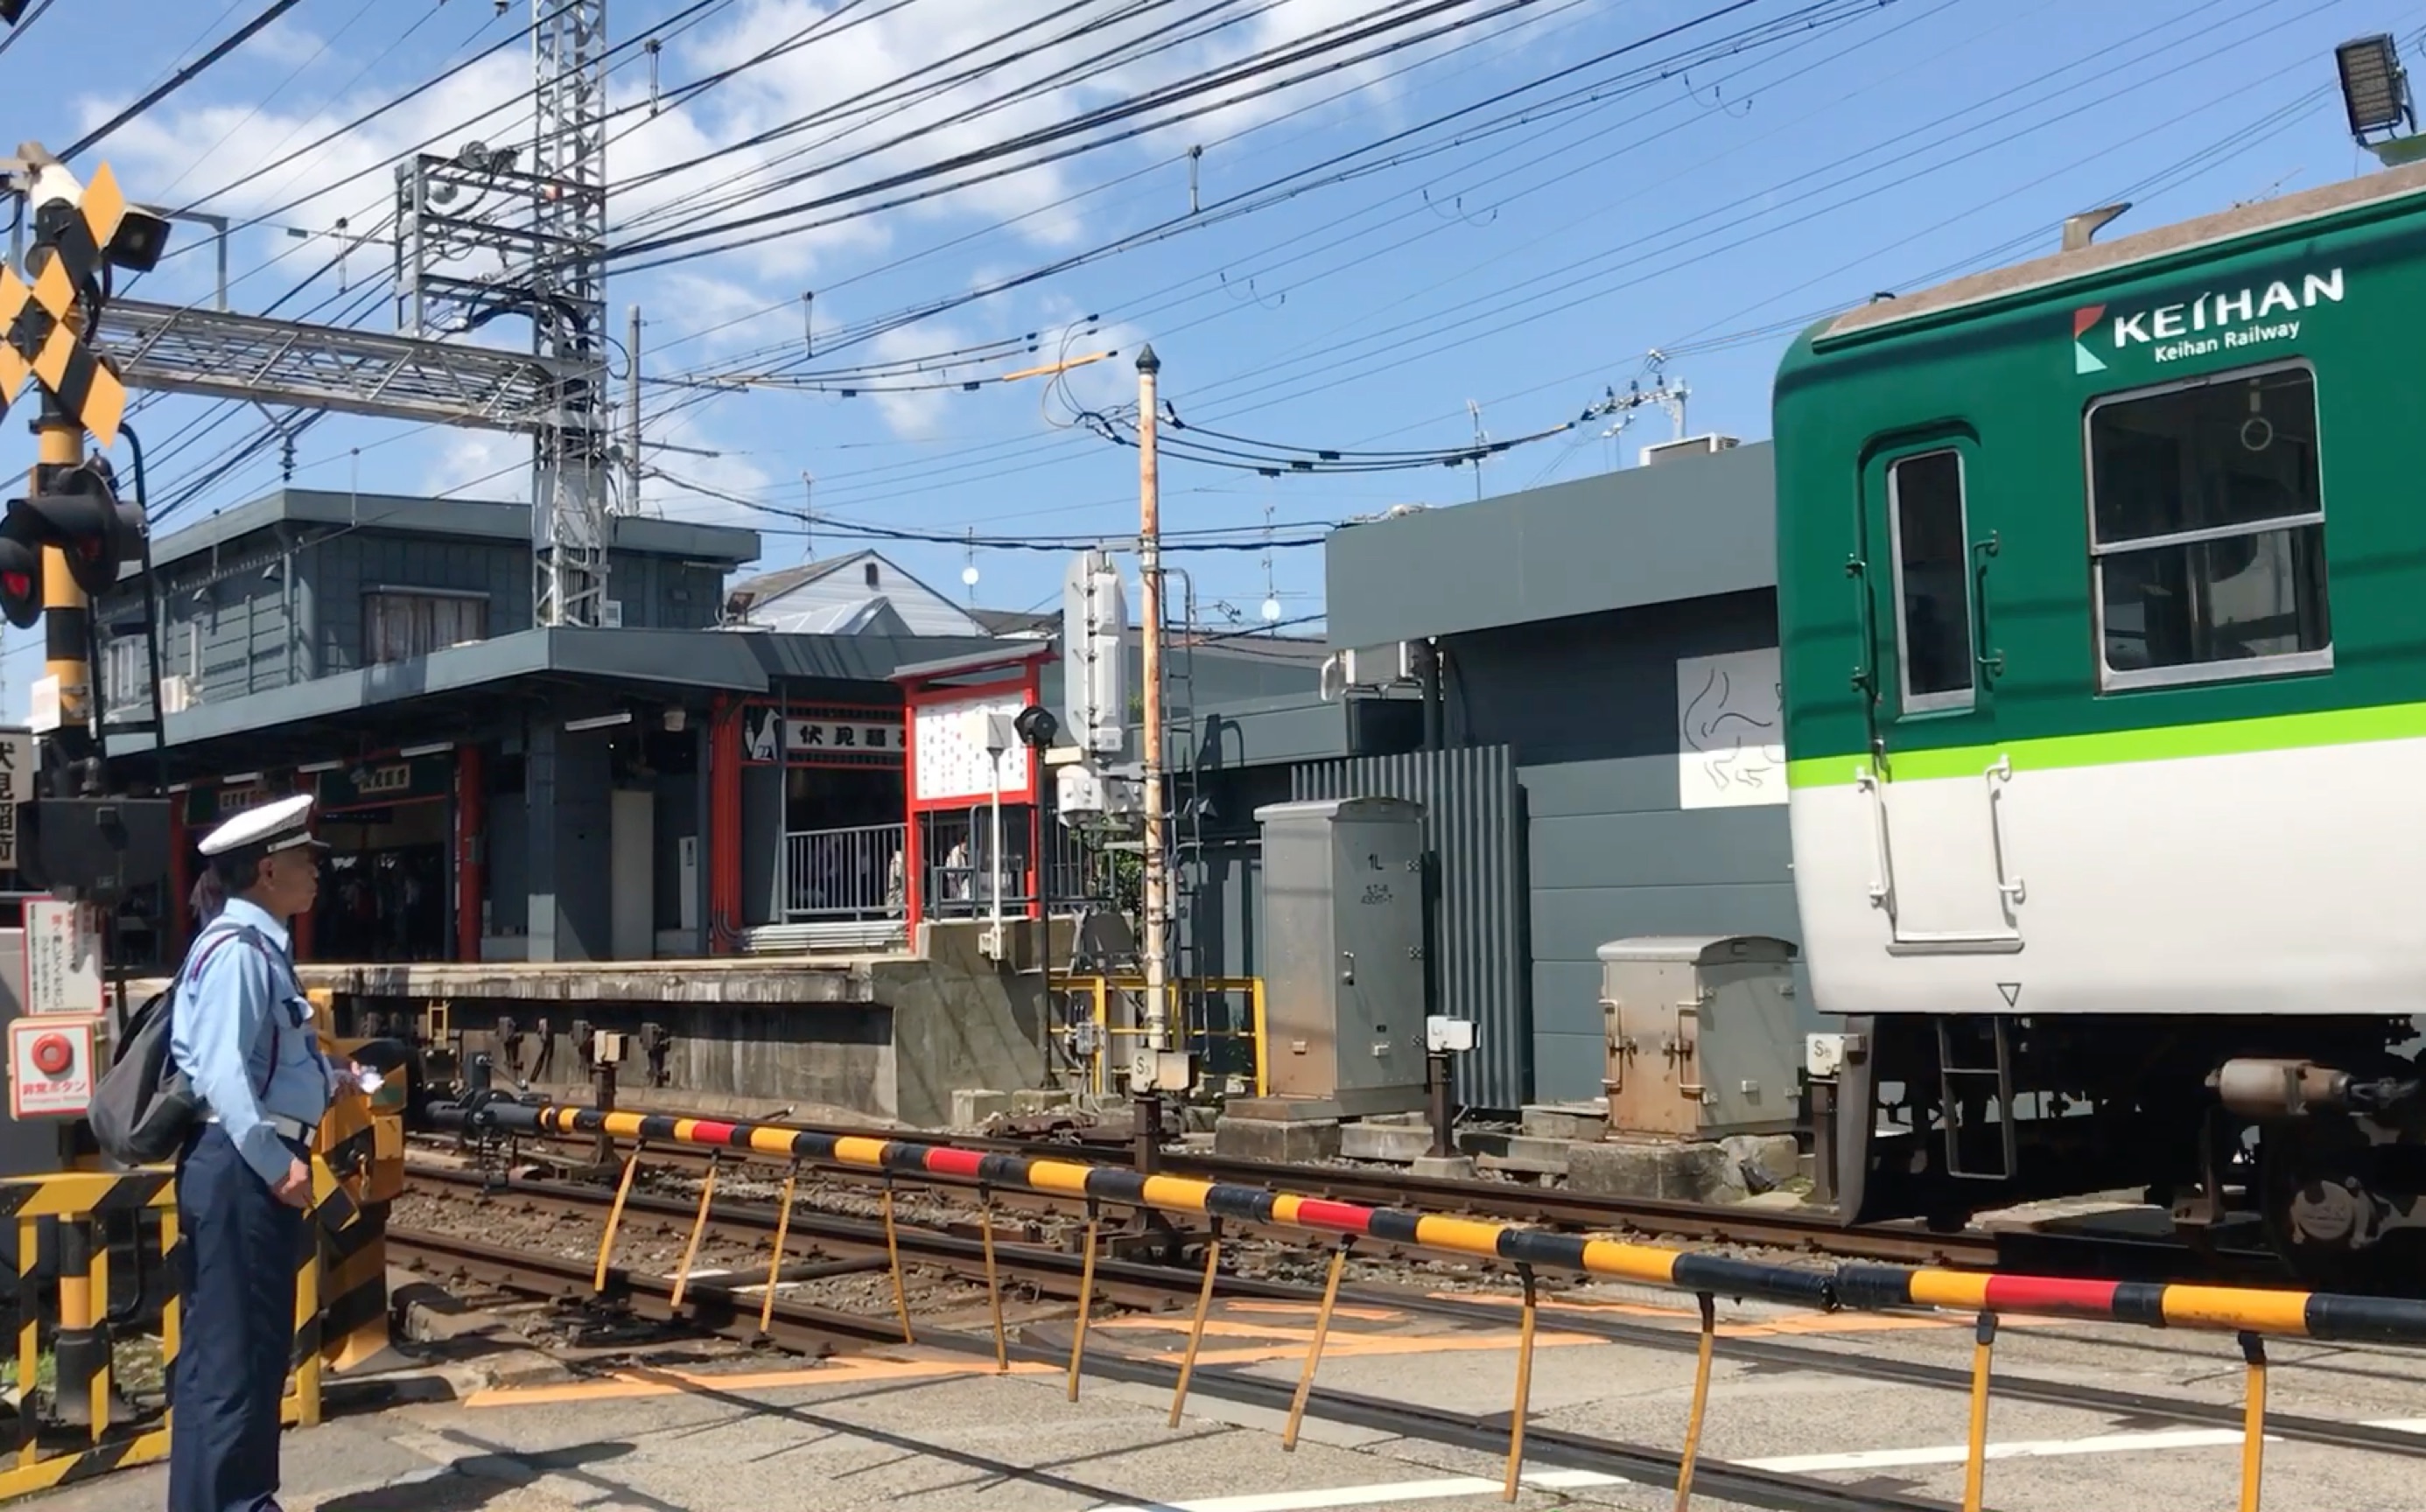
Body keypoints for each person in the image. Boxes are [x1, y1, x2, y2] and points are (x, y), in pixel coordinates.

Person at [168, 791, 355, 1512]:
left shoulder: (249, 948)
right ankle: (238, 1505)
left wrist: (324, 1079)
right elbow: (221, 1074)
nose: (318, 872)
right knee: (239, 1356)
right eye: (308, 860)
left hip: (237, 1166)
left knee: (232, 1352)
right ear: (270, 870)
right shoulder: (242, 955)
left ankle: (221, 1502)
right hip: (243, 1170)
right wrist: (278, 1166)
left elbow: (256, 1061)